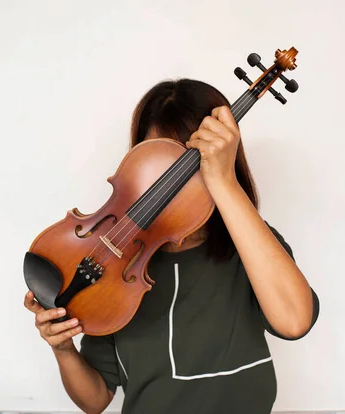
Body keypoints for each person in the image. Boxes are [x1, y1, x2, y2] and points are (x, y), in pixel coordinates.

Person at [23, 78, 320, 414]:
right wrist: (63, 348)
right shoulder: (114, 271)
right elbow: (95, 399)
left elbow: (294, 322)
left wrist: (223, 182)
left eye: (192, 166)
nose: (172, 184)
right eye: (162, 168)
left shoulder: (252, 245)